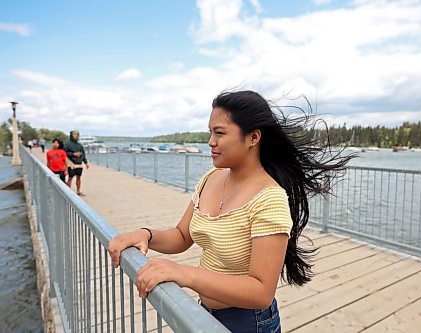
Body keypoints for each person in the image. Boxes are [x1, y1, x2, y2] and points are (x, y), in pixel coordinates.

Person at [108, 90, 353, 332]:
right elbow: (182, 236)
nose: (210, 142)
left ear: (253, 137)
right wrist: (146, 235)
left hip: (248, 323)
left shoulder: (269, 198)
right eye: (210, 132)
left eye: (220, 133)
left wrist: (184, 274)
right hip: (204, 312)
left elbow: (261, 292)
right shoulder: (211, 178)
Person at [64, 130, 89, 196]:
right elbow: (64, 153)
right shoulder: (67, 144)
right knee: (70, 177)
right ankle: (68, 192)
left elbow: (83, 154)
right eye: (75, 135)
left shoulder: (79, 145)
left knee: (78, 177)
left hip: (79, 163)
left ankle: (78, 191)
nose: (76, 136)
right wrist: (73, 154)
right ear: (72, 135)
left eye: (77, 135)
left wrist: (86, 162)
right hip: (71, 163)